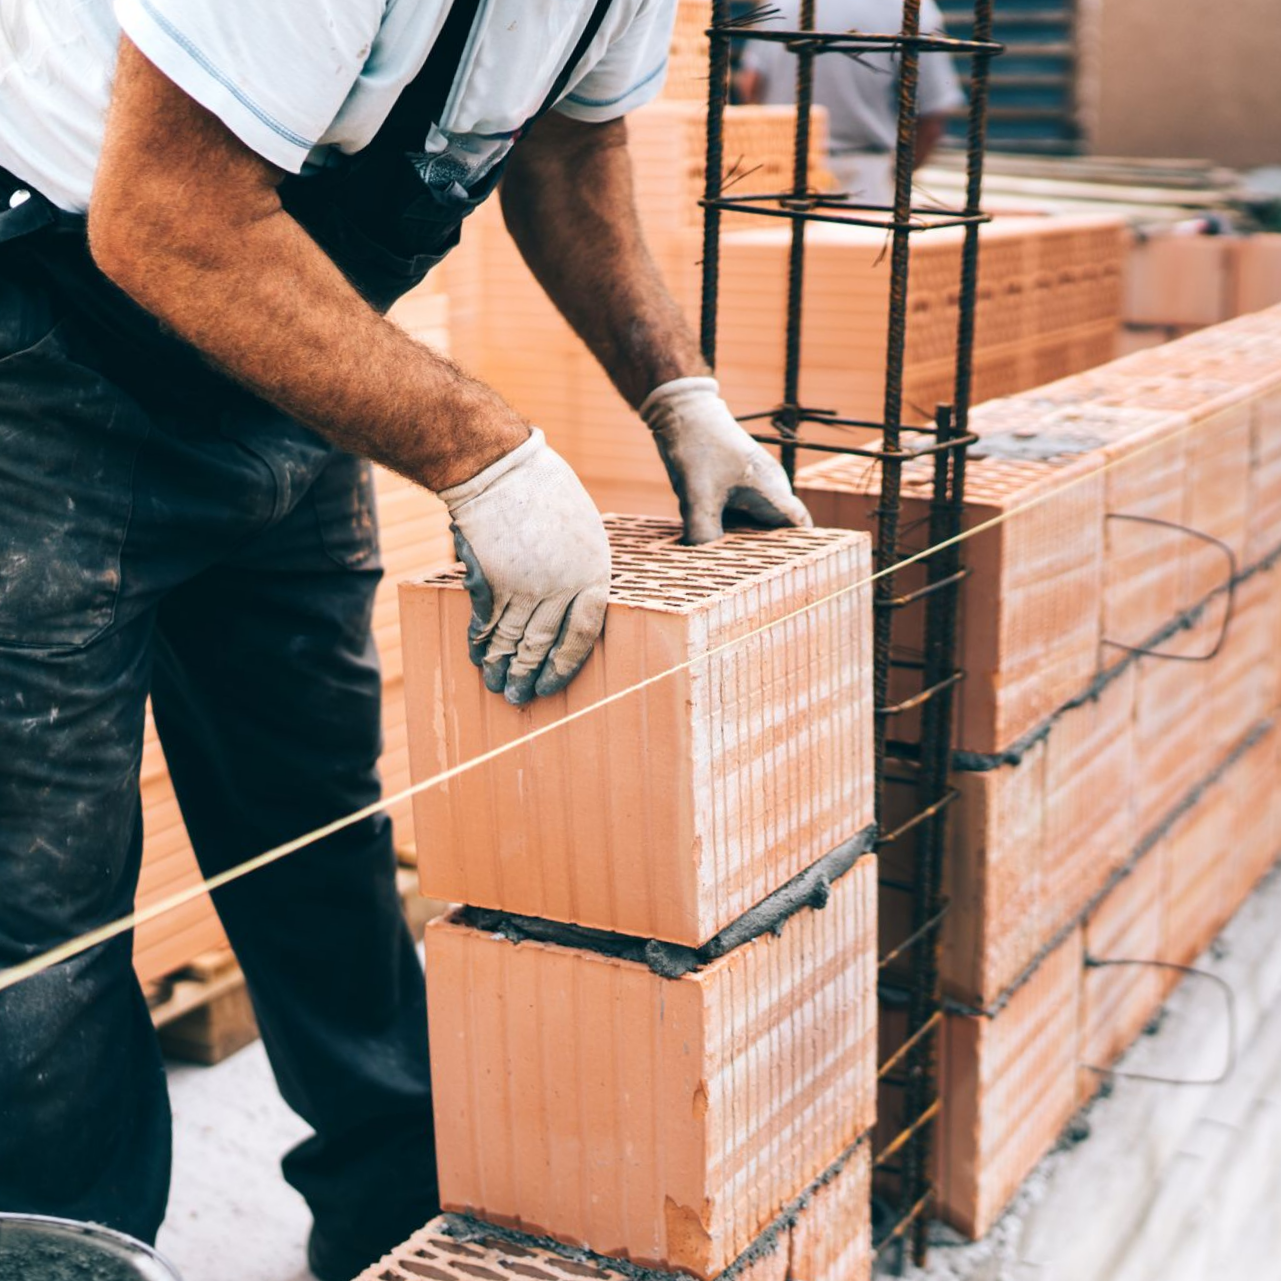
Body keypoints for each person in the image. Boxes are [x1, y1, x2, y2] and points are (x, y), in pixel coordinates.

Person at [0, 2, 812, 1278]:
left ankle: (396, 1228)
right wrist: (484, 456)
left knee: (317, 823)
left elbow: (565, 158)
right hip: (48, 359)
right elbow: (166, 214)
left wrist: (679, 390)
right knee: (46, 913)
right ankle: (76, 1250)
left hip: (269, 350)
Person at [738, 0, 965, 206]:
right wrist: (896, 175)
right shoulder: (912, 8)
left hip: (779, 171)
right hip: (864, 180)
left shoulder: (781, 3)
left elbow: (750, 85)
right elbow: (932, 117)